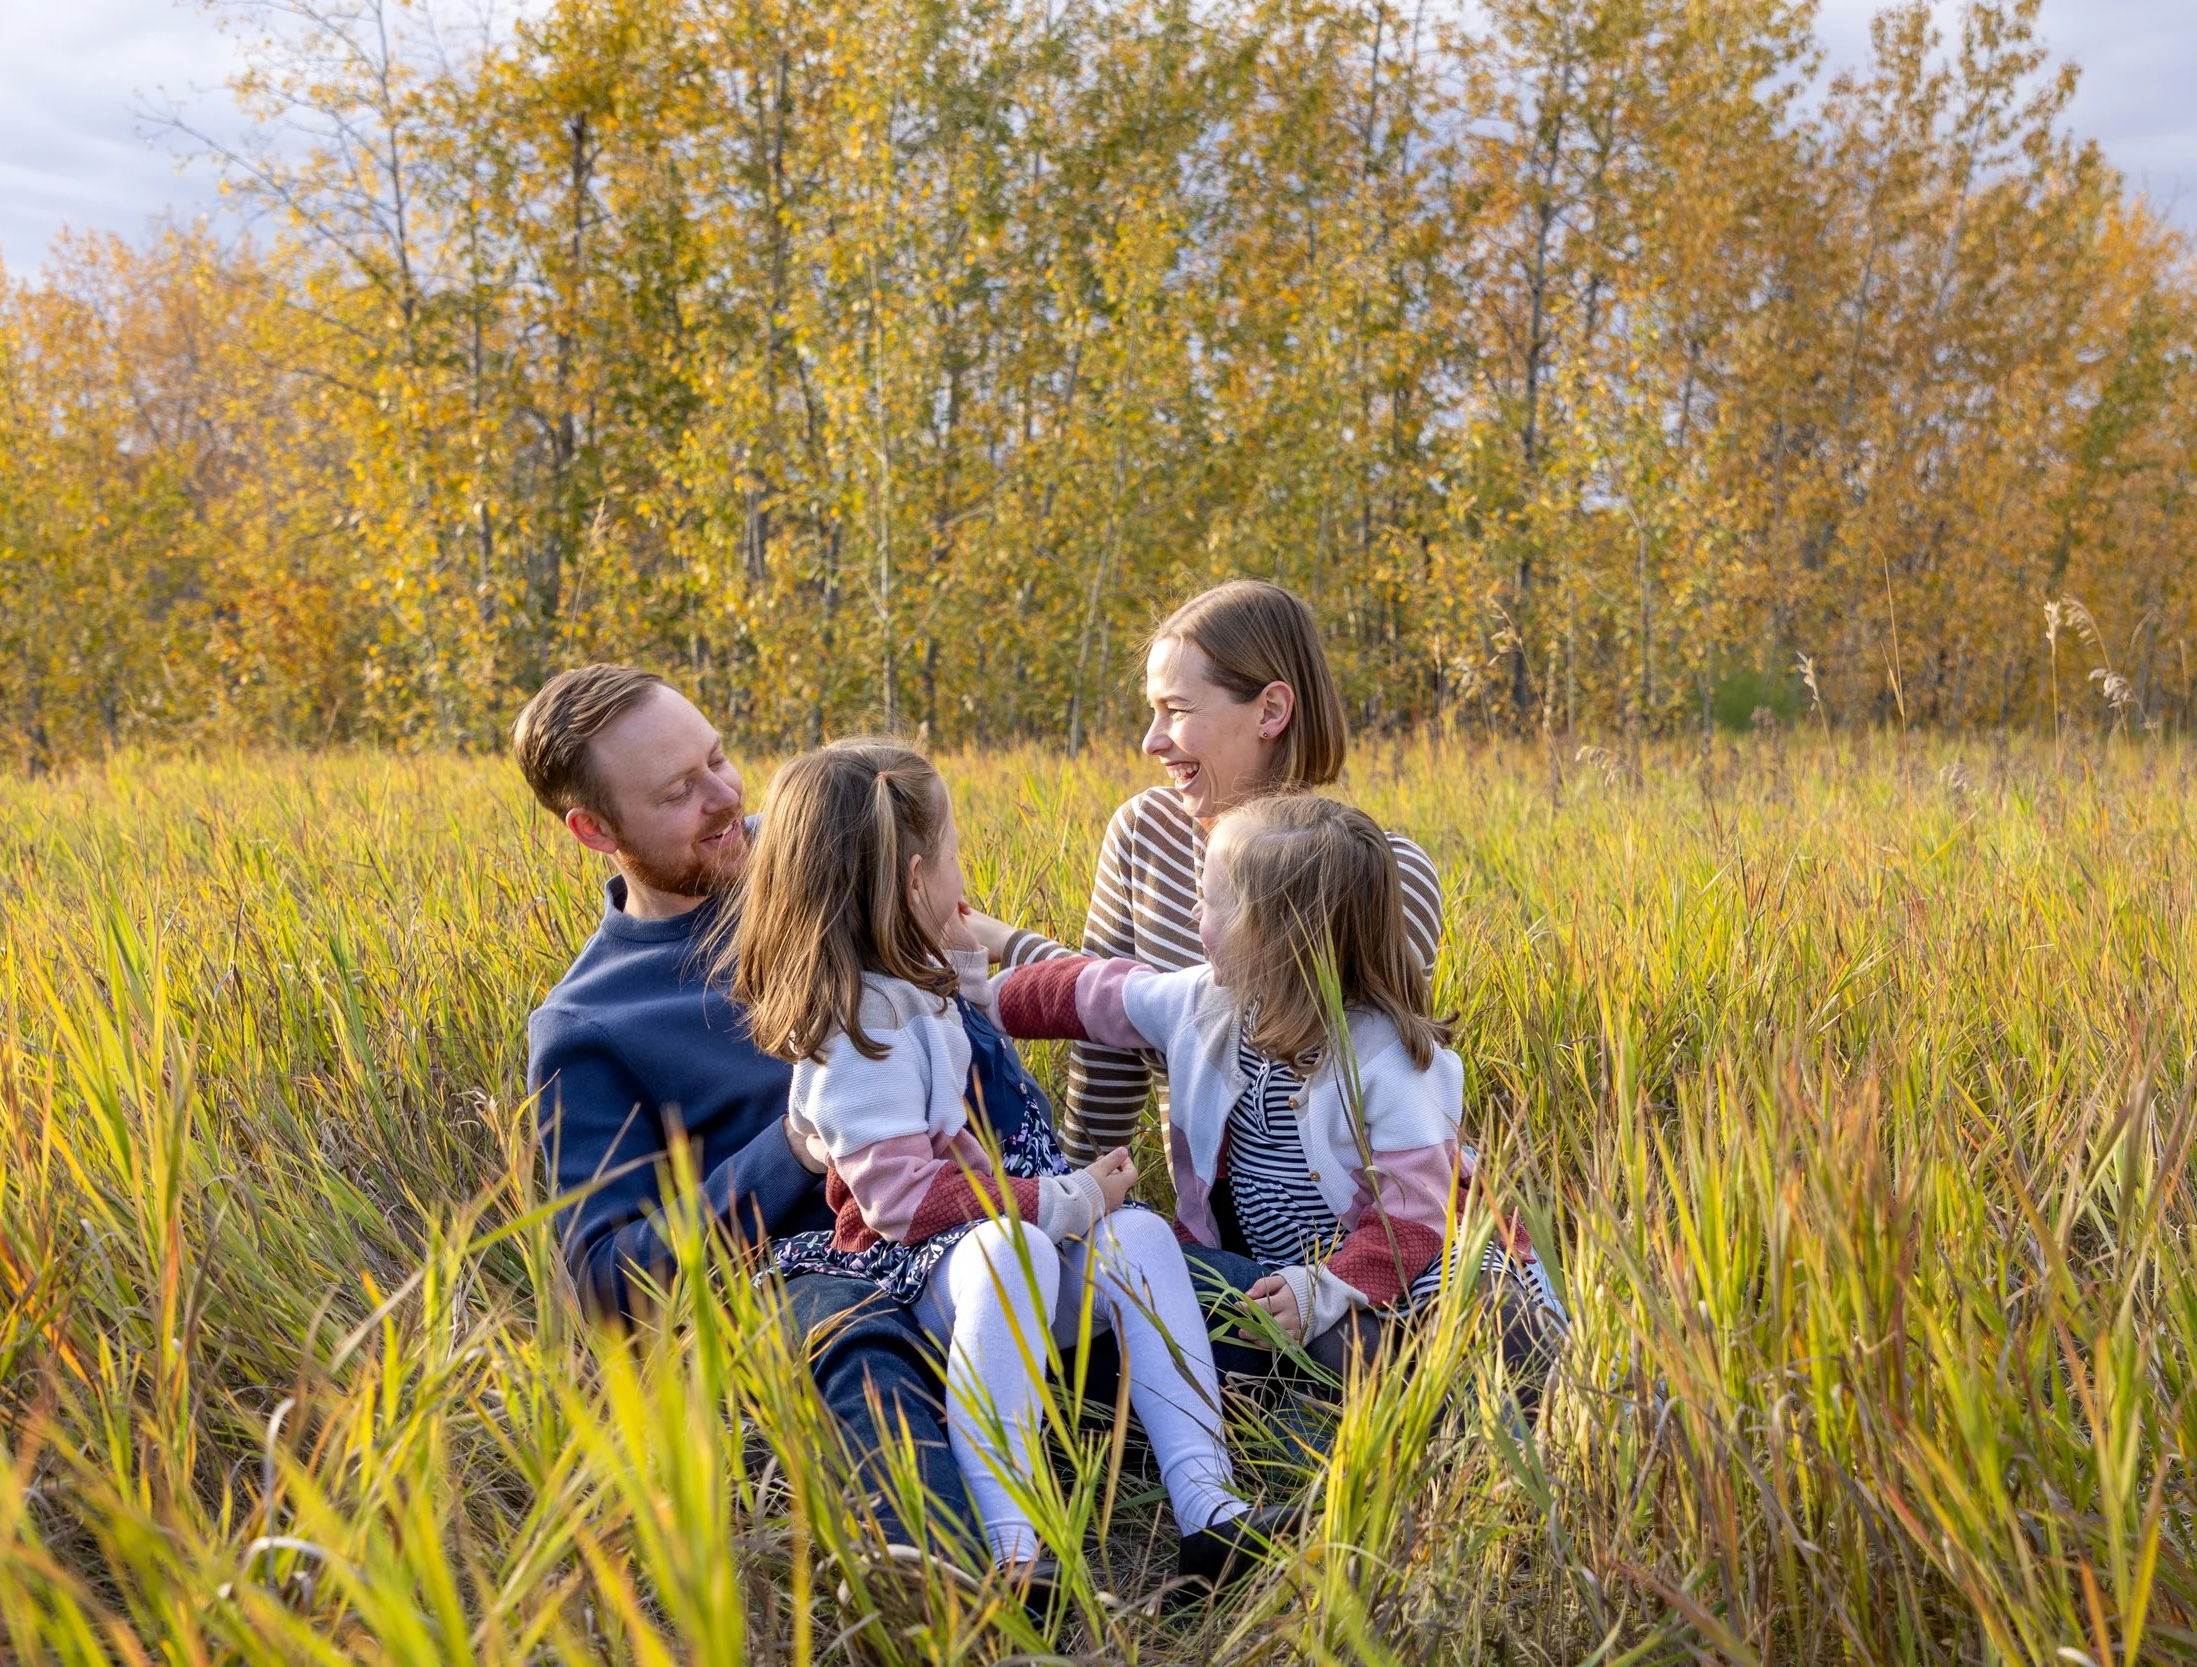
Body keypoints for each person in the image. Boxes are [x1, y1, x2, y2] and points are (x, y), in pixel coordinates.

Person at [730, 739, 1288, 1595]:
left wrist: (962, 958)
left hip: (979, 1246)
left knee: (1139, 1236)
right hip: (905, 1273)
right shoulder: (856, 1036)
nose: (965, 873)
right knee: (1012, 1249)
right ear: (916, 880)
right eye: (953, 851)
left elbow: (998, 1006)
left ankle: (1207, 1507)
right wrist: (1063, 1197)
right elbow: (901, 1205)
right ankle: (1012, 1546)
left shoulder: (912, 986)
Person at [514, 665, 971, 1545]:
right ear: (593, 830)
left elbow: (963, 951)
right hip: (811, 1282)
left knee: (1191, 1294)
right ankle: (971, 1596)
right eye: (680, 791)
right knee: (854, 1339)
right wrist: (796, 1145)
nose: (727, 797)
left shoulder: (821, 854)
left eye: (718, 759)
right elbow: (610, 1284)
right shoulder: (590, 1023)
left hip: (971, 1219)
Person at [984, 794, 1562, 1384]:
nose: (1192, 915)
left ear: (1272, 938)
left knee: (1481, 1305)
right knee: (1169, 1266)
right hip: (1282, 1271)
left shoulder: (1387, 1060)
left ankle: (1540, 1391)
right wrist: (980, 996)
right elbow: (1091, 993)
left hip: (1417, 1254)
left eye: (1208, 902)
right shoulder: (1204, 1005)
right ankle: (1394, 1386)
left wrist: (1326, 1287)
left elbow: (1414, 1220)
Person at [996, 579, 1445, 1163]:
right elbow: (1105, 1057)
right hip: (1210, 1227)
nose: (1150, 741)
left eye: (1177, 711)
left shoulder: (1385, 872)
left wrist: (1013, 945)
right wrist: (1079, 1208)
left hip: (1348, 1229)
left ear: (1271, 710)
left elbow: (1228, 1028)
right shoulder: (1146, 830)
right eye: (1151, 711)